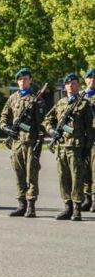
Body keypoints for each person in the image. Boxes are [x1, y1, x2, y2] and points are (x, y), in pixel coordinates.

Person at [43, 73, 93, 221]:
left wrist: (87, 148)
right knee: (63, 178)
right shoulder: (61, 103)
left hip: (76, 147)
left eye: (74, 83)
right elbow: (47, 119)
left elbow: (90, 129)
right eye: (68, 83)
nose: (71, 86)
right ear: (65, 86)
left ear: (78, 85)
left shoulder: (84, 104)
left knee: (77, 178)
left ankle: (77, 208)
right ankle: (67, 207)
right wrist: (51, 130)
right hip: (61, 146)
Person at [0, 67, 45, 218]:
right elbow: (4, 117)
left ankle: (31, 206)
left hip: (31, 142)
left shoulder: (36, 98)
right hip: (17, 142)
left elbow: (41, 123)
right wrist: (7, 129)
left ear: (30, 80)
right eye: (20, 79)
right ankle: (21, 204)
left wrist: (39, 143)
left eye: (25, 79)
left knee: (32, 174)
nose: (22, 81)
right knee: (19, 173)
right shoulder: (13, 98)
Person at [80, 69, 95, 211]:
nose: (92, 80)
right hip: (81, 139)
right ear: (85, 80)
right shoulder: (79, 96)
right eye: (90, 78)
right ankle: (87, 198)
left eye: (94, 78)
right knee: (84, 170)